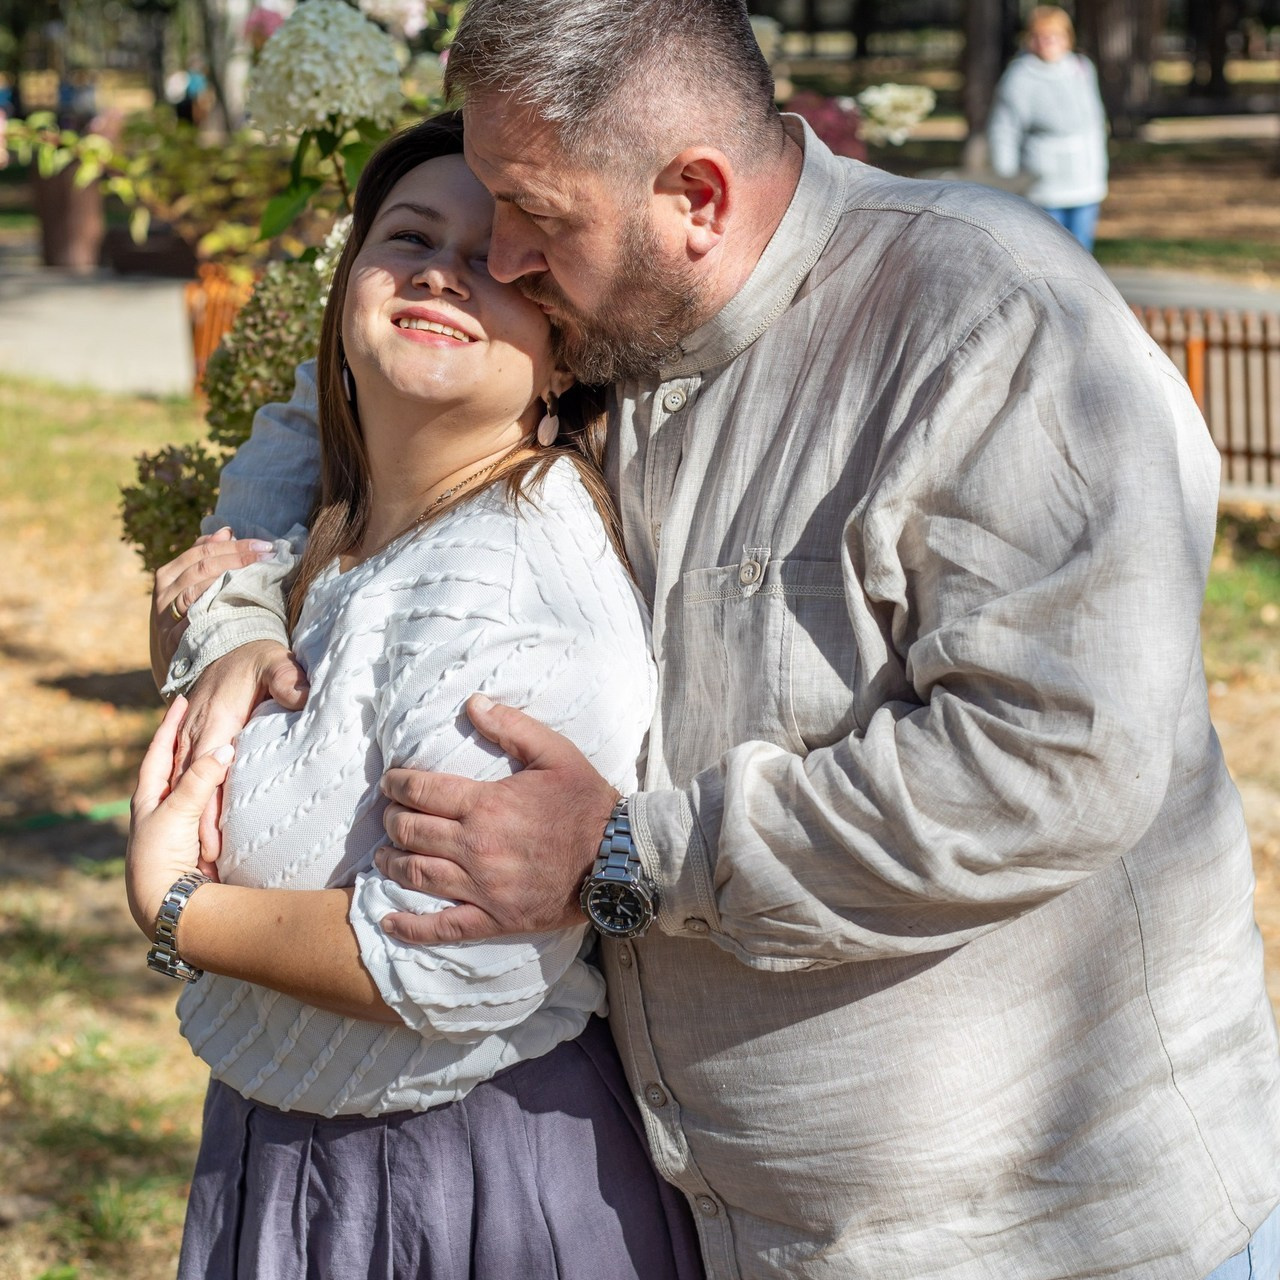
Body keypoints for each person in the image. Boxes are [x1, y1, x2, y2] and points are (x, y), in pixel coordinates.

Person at [154, 1, 1280, 1277]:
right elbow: (326, 403)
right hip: (717, 1223)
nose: (503, 260)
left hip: (1045, 1232)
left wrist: (626, 853)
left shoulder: (989, 324)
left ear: (694, 195)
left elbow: (1055, 762)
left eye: (537, 217)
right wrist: (235, 616)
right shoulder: (610, 317)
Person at [128, 112, 701, 1280]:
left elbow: (441, 958)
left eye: (495, 257)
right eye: (407, 236)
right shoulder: (335, 546)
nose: (443, 269)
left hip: (460, 1188)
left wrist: (175, 906)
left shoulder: (509, 581)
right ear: (344, 301)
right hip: (283, 1157)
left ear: (561, 350)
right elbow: (201, 600)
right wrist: (226, 620)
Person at [986, 5, 1109, 251]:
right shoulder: (1020, 76)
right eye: (1041, 36)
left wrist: (1099, 169)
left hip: (1086, 184)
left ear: (1067, 37)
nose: (1048, 42)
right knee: (1051, 255)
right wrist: (1009, 179)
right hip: (1044, 188)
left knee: (1083, 257)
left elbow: (1095, 121)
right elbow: (1004, 130)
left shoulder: (1082, 69)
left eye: (1055, 35)